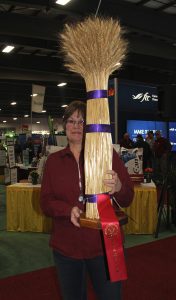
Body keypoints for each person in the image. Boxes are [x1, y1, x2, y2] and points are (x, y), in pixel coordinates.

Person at [40, 101, 134, 300]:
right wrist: (67, 210)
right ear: (64, 126)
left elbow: (128, 197)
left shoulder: (108, 155)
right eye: (72, 121)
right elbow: (46, 202)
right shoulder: (54, 162)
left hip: (104, 245)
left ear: (90, 126)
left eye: (82, 122)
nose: (76, 126)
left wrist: (117, 187)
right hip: (66, 247)